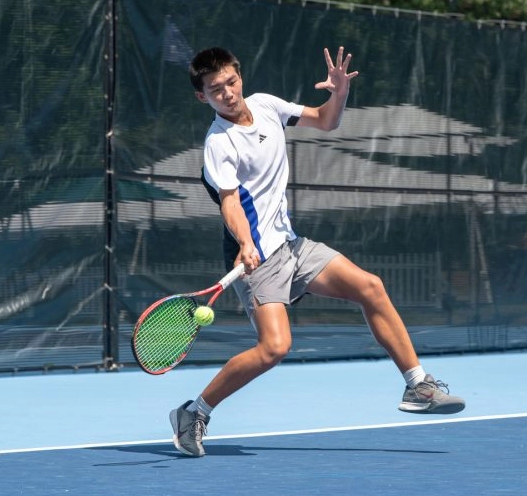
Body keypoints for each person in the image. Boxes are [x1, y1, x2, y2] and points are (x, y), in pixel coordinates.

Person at [169, 46, 465, 457]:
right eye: (216, 90)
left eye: (231, 82)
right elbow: (230, 202)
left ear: (240, 75)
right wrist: (246, 242)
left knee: (371, 287)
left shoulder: (267, 105)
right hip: (256, 259)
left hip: (292, 245)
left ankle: (418, 385)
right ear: (203, 97)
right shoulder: (219, 144)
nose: (229, 93)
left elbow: (326, 120)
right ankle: (194, 412)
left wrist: (339, 93)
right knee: (274, 348)